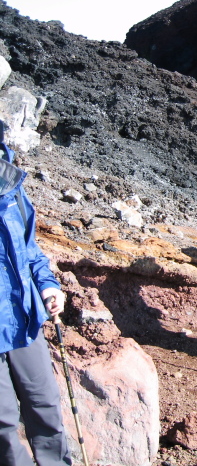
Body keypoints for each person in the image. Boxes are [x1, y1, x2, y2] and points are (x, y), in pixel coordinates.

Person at [0, 131, 72, 465]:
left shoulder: (8, 179)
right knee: (3, 425)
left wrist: (47, 285)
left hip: (23, 318)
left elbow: (28, 249)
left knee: (45, 405)